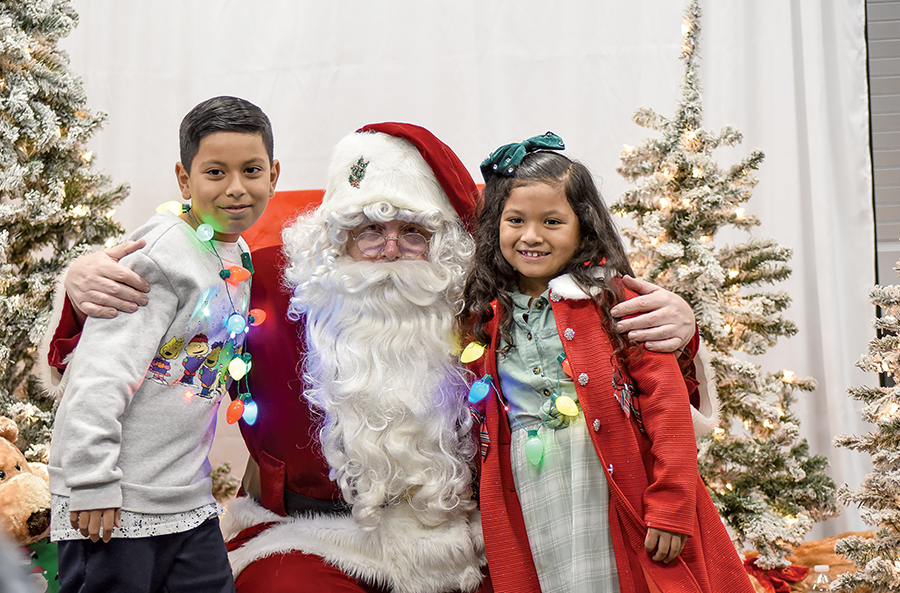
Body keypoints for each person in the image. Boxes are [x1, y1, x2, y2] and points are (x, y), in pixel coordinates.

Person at [43, 124, 698, 593]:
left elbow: (608, 362)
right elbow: (157, 314)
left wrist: (680, 328)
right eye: (367, 230)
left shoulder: (487, 302)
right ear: (333, 239)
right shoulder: (264, 283)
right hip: (313, 537)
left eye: (411, 232)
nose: (387, 249)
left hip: (475, 541)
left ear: (444, 243)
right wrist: (81, 288)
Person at [457, 133, 752, 593]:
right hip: (530, 491)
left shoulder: (615, 302)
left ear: (583, 227)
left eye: (552, 221)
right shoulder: (484, 317)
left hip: (608, 483)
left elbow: (667, 407)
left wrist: (672, 504)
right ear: (496, 224)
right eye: (515, 220)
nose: (531, 236)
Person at [46, 95, 280, 593]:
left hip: (184, 497)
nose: (236, 189)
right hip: (113, 501)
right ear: (184, 178)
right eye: (215, 172)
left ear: (273, 175)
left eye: (251, 170)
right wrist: (91, 481)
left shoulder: (234, 250)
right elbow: (100, 373)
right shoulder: (160, 255)